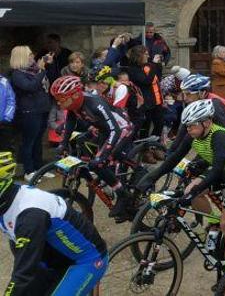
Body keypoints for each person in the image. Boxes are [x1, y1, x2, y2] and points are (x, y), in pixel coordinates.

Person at [135, 100, 225, 272]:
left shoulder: (219, 136)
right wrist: (150, 178)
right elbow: (174, 158)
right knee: (190, 189)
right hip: (224, 170)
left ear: (206, 122)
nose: (188, 130)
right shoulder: (193, 134)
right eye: (186, 126)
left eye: (192, 126)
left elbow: (216, 169)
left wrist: (194, 190)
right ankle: (212, 219)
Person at [0, 152, 108, 295]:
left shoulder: (30, 217)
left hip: (86, 260)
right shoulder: (9, 197)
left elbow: (23, 274)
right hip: (52, 256)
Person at [51, 75, 135, 219]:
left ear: (75, 95)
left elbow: (115, 130)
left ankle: (123, 195)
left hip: (121, 128)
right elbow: (71, 120)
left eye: (62, 98)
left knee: (99, 163)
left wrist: (101, 157)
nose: (58, 102)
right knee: (87, 145)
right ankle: (129, 168)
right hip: (104, 129)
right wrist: (63, 144)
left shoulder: (95, 103)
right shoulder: (75, 104)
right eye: (57, 98)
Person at [9, 46, 52, 181]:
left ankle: (40, 169)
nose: (32, 56)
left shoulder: (33, 71)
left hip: (41, 109)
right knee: (29, 142)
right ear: (21, 57)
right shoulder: (17, 74)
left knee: (38, 141)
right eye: (30, 54)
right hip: (29, 112)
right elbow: (31, 86)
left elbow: (42, 82)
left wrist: (45, 67)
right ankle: (29, 171)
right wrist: (41, 70)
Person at [179, 74, 225, 141]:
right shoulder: (199, 102)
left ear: (202, 92)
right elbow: (183, 130)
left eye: (188, 94)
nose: (185, 98)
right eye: (183, 94)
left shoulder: (214, 104)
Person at [126, 45, 164, 140]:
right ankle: (144, 149)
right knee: (145, 129)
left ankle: (155, 145)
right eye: (146, 54)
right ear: (139, 56)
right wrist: (154, 65)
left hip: (156, 101)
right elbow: (146, 81)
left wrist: (158, 65)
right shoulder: (133, 69)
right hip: (145, 104)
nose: (148, 56)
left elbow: (157, 78)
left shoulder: (148, 66)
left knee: (160, 124)